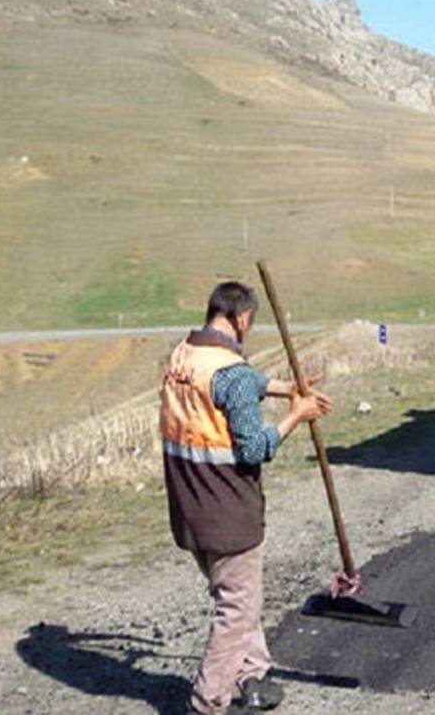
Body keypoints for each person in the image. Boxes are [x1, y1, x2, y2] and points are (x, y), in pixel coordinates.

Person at [161, 281, 333, 715]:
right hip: (227, 511)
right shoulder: (230, 372)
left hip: (188, 508)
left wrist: (285, 386)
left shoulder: (184, 355)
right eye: (250, 325)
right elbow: (255, 447)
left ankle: (253, 677)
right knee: (236, 609)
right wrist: (297, 414)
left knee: (240, 596)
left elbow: (234, 384)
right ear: (242, 319)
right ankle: (206, 703)